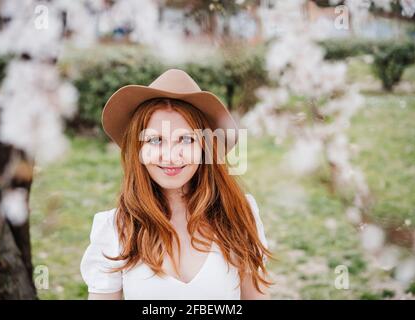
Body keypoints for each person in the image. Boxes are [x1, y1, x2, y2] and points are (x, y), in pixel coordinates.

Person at [80, 69, 272, 300]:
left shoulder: (238, 215)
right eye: (155, 140)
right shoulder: (116, 230)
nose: (170, 156)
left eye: (186, 139)